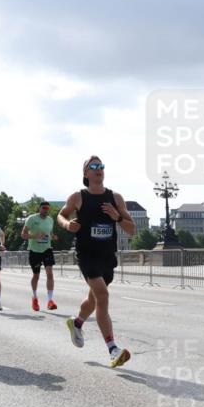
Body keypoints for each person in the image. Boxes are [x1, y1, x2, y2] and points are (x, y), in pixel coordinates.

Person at [58, 156, 134, 368]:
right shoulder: (78, 197)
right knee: (102, 294)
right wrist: (66, 225)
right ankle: (112, 350)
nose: (98, 169)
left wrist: (117, 217)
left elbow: (132, 229)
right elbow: (61, 215)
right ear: (85, 174)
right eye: (93, 166)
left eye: (101, 166)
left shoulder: (115, 198)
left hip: (107, 256)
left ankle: (77, 323)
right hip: (87, 254)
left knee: (94, 300)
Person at [22, 201, 58, 311]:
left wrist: (53, 237)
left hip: (47, 249)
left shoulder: (50, 220)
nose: (46, 210)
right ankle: (35, 298)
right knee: (36, 276)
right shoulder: (32, 219)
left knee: (50, 273)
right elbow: (23, 235)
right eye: (44, 208)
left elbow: (49, 234)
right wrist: (34, 236)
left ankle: (50, 300)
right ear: (39, 208)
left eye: (47, 208)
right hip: (34, 251)